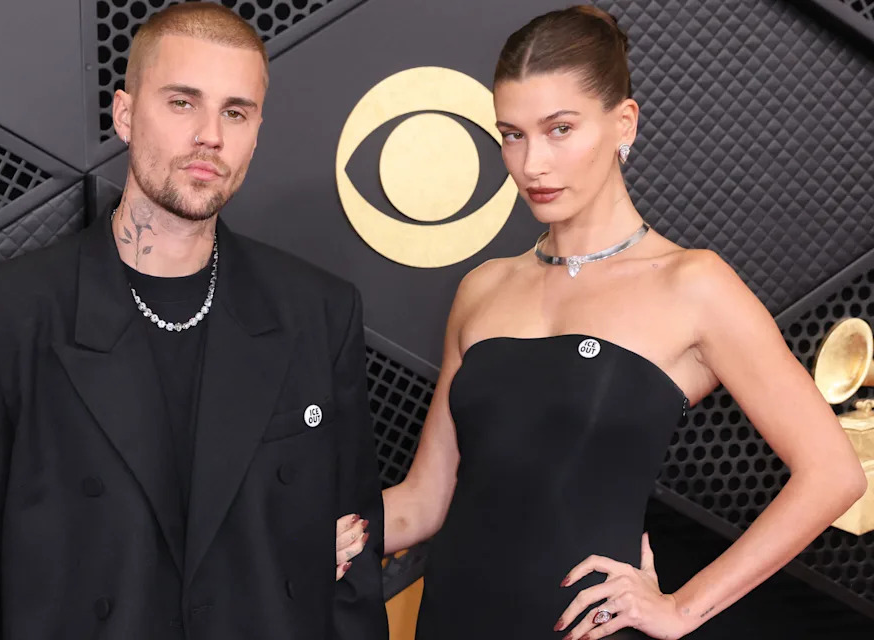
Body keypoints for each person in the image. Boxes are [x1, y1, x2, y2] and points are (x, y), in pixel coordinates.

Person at [335, 6, 866, 639]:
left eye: (559, 129)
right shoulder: (483, 288)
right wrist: (315, 529)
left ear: (624, 123)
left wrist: (682, 608)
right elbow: (425, 500)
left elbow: (833, 474)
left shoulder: (691, 284)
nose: (532, 163)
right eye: (512, 134)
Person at [0, 4, 385, 639]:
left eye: (236, 112)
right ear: (125, 115)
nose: (210, 136)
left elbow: (353, 572)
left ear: (256, 131)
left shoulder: (318, 313)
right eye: (183, 103)